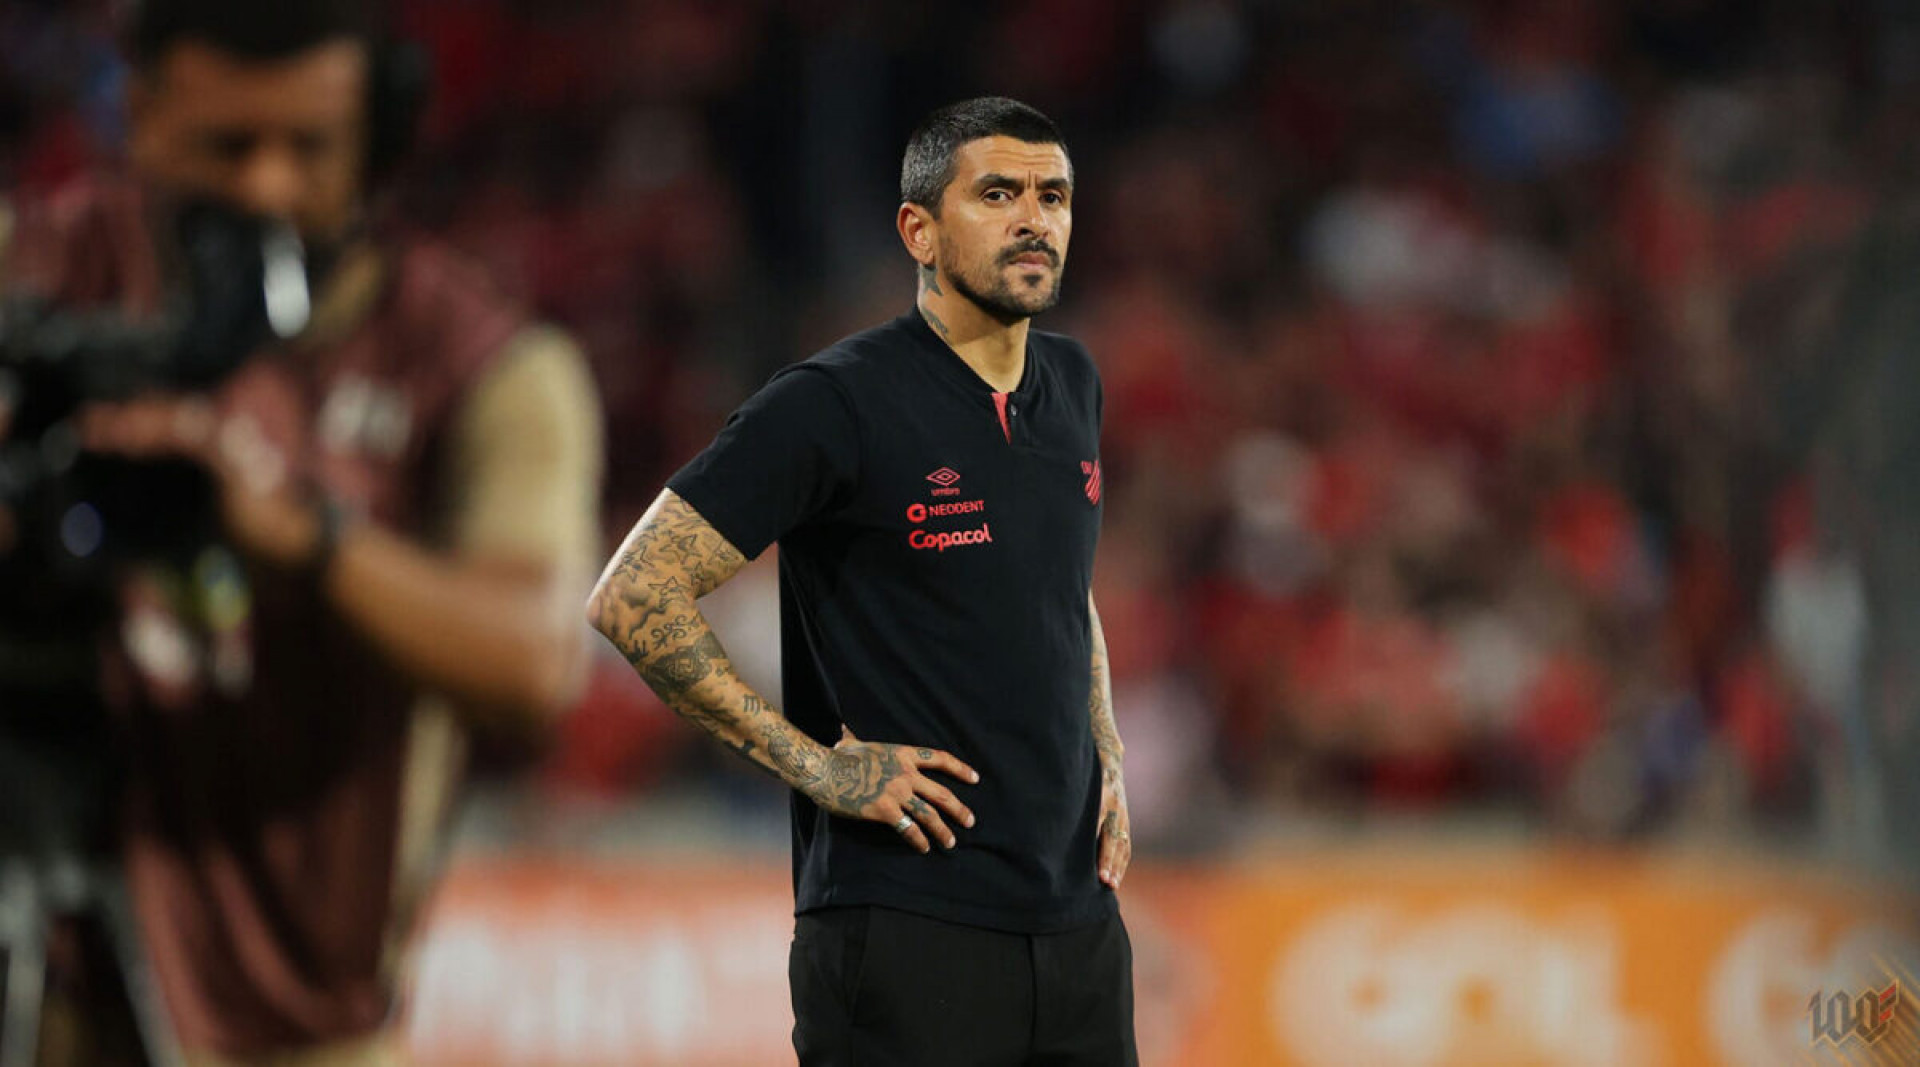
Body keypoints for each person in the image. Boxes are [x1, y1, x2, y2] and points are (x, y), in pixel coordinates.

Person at [0, 1, 602, 1064]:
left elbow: (536, 660)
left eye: (310, 147)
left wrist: (303, 533)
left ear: (377, 138)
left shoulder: (479, 365)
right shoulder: (32, 276)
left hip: (301, 1030)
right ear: (141, 114)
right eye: (226, 145)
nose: (266, 186)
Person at [588, 95, 1137, 1066]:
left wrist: (1108, 749)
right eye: (998, 194)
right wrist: (819, 766)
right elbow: (634, 594)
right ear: (918, 231)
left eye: (1052, 196)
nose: (1034, 219)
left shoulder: (1072, 382)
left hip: (1079, 929)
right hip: (906, 927)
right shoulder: (833, 403)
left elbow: (1060, 580)